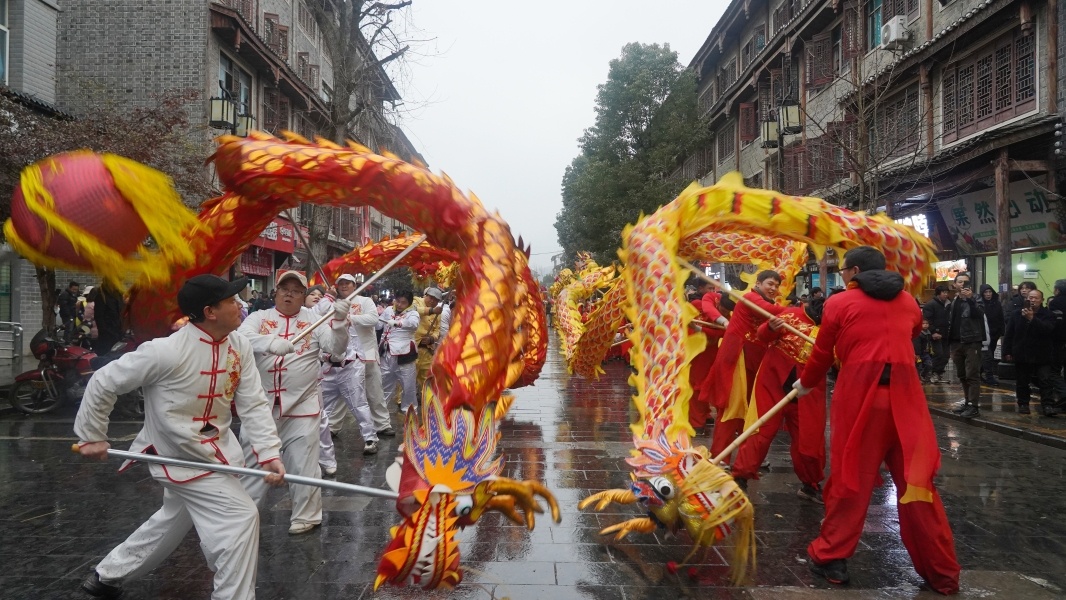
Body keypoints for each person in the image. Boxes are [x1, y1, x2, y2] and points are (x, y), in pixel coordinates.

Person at [74, 274, 286, 600]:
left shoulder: (239, 344)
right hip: (178, 454)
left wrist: (269, 452)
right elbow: (103, 381)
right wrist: (92, 435)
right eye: (231, 300)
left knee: (171, 522)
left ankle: (105, 577)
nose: (239, 305)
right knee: (240, 519)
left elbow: (254, 402)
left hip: (218, 451)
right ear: (209, 311)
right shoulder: (165, 351)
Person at [793, 246, 959, 594]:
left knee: (851, 480)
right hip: (906, 399)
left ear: (853, 272)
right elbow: (912, 333)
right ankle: (942, 571)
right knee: (918, 484)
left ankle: (832, 557)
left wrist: (806, 384)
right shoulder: (909, 302)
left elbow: (823, 352)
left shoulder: (838, 304)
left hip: (861, 398)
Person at [238, 271, 349, 535]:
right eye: (284, 288)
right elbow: (241, 338)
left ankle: (307, 515)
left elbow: (336, 348)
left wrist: (341, 322)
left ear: (303, 296)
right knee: (252, 463)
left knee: (303, 464)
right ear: (275, 292)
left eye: (296, 290)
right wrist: (270, 342)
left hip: (302, 404)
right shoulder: (258, 318)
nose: (289, 293)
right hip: (261, 406)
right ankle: (242, 516)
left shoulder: (315, 321)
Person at [732, 297, 826, 502]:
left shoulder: (833, 327)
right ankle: (740, 478)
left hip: (807, 392)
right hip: (773, 383)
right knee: (760, 431)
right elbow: (762, 335)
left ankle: (810, 484)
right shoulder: (791, 315)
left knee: (809, 439)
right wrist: (770, 328)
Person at [699, 270, 788, 457]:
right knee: (732, 407)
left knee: (749, 408)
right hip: (736, 359)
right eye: (770, 284)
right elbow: (772, 312)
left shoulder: (767, 303)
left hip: (753, 362)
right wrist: (800, 311)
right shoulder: (750, 298)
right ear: (758, 283)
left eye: (776, 285)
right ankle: (720, 456)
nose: (773, 288)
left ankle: (747, 456)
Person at [315, 274, 392, 455]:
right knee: (343, 393)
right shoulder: (333, 303)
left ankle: (382, 424)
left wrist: (350, 318)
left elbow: (373, 319)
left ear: (354, 284)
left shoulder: (364, 301)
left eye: (347, 283)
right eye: (340, 283)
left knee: (373, 389)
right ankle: (332, 425)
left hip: (366, 351)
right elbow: (319, 315)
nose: (344, 286)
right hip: (341, 356)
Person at [1003, 288, 1066, 416]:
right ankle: (1023, 404)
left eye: (1035, 298)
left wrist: (1032, 318)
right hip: (1022, 353)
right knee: (1022, 381)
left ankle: (1047, 405)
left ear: (1042, 300)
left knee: (1045, 380)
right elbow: (1009, 334)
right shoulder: (1016, 314)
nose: (1032, 300)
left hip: (1042, 354)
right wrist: (1007, 351)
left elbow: (1047, 329)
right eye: (1030, 298)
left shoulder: (1048, 315)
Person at [686, 276, 728, 433]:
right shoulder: (697, 304)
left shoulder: (717, 304)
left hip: (711, 350)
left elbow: (720, 330)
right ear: (701, 289)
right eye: (710, 289)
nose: (713, 292)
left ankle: (704, 414)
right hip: (699, 351)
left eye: (714, 289)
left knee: (705, 384)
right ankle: (697, 421)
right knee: (697, 385)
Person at [945, 272, 985, 419]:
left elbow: (979, 314)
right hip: (956, 342)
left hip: (972, 341)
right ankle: (967, 402)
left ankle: (974, 406)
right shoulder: (954, 300)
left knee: (972, 374)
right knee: (962, 374)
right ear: (955, 284)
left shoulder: (975, 298)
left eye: (965, 282)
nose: (962, 284)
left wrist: (970, 300)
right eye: (959, 282)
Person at [380, 290, 421, 413]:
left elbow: (413, 324)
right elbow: (378, 324)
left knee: (408, 386)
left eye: (403, 303)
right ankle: (380, 412)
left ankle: (409, 411)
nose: (399, 305)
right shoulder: (388, 310)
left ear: (408, 304)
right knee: (383, 384)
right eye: (398, 301)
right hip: (386, 353)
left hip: (404, 355)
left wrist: (398, 323)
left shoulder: (413, 313)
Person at [414, 287, 445, 396]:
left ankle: (426, 397)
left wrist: (432, 338)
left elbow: (437, 330)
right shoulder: (416, 300)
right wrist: (431, 311)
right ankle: (402, 401)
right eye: (431, 297)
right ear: (426, 295)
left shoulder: (438, 312)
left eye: (436, 300)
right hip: (413, 347)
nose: (433, 301)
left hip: (427, 349)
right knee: (408, 377)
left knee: (427, 375)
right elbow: (413, 310)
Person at [921, 285, 951, 383]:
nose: (946, 294)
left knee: (946, 356)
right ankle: (929, 373)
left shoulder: (948, 304)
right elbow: (927, 320)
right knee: (938, 354)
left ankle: (938, 373)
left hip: (946, 334)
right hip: (935, 335)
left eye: (947, 292)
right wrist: (933, 332)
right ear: (938, 293)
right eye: (944, 292)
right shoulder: (931, 305)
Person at [977, 284, 1005, 384]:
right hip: (983, 334)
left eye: (990, 292)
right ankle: (989, 376)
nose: (988, 294)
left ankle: (980, 373)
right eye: (986, 292)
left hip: (994, 333)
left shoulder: (996, 303)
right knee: (987, 356)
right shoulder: (980, 304)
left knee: (990, 355)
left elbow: (1001, 318)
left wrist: (1001, 331)